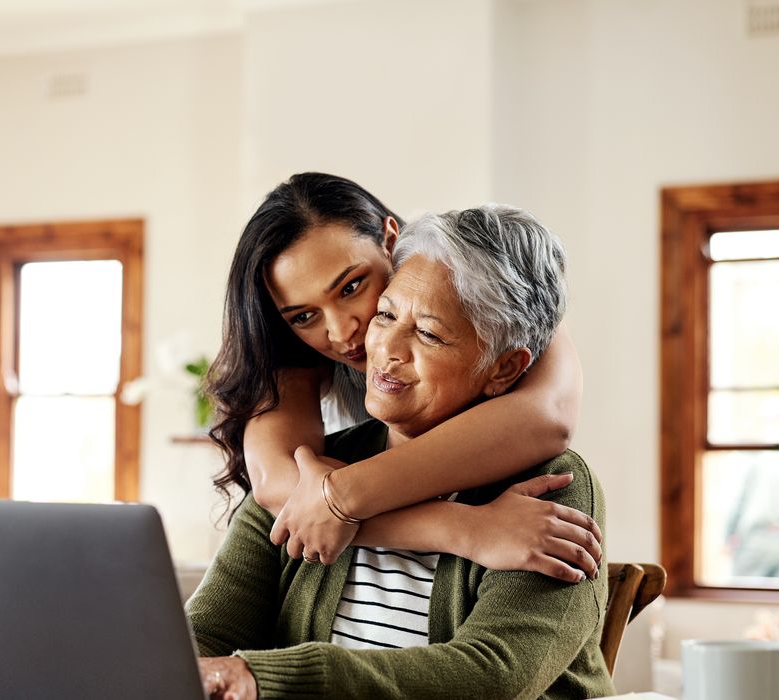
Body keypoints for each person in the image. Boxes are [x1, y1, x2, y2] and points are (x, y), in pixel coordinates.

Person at [189, 205, 614, 699]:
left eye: (429, 334)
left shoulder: (557, 486)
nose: (381, 346)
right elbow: (200, 639)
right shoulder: (314, 470)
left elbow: (495, 677)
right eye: (386, 315)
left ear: (504, 369)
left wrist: (269, 678)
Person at [208, 173, 599, 579]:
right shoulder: (293, 353)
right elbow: (280, 486)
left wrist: (341, 497)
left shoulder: (485, 285)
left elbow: (546, 418)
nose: (342, 333)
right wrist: (464, 529)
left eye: (351, 287)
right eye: (305, 316)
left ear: (390, 240)